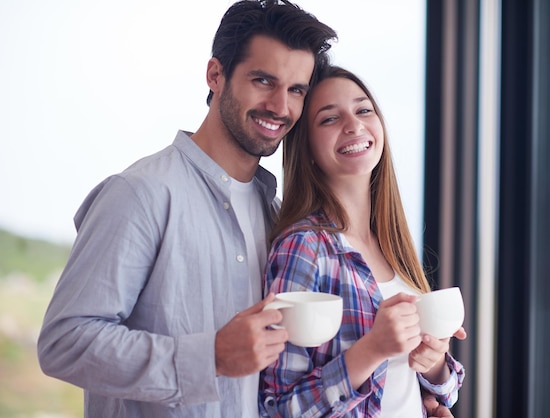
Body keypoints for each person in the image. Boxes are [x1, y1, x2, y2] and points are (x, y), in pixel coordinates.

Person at [37, 1, 337, 417]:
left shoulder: (278, 216)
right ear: (216, 75)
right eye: (263, 80)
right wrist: (209, 356)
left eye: (296, 90)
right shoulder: (140, 194)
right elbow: (64, 343)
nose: (280, 106)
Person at [259, 66, 466, 418]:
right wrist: (372, 349)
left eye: (363, 109)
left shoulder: (392, 246)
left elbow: (430, 390)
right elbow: (277, 408)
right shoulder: (303, 248)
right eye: (329, 119)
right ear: (306, 147)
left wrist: (433, 365)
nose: (353, 125)